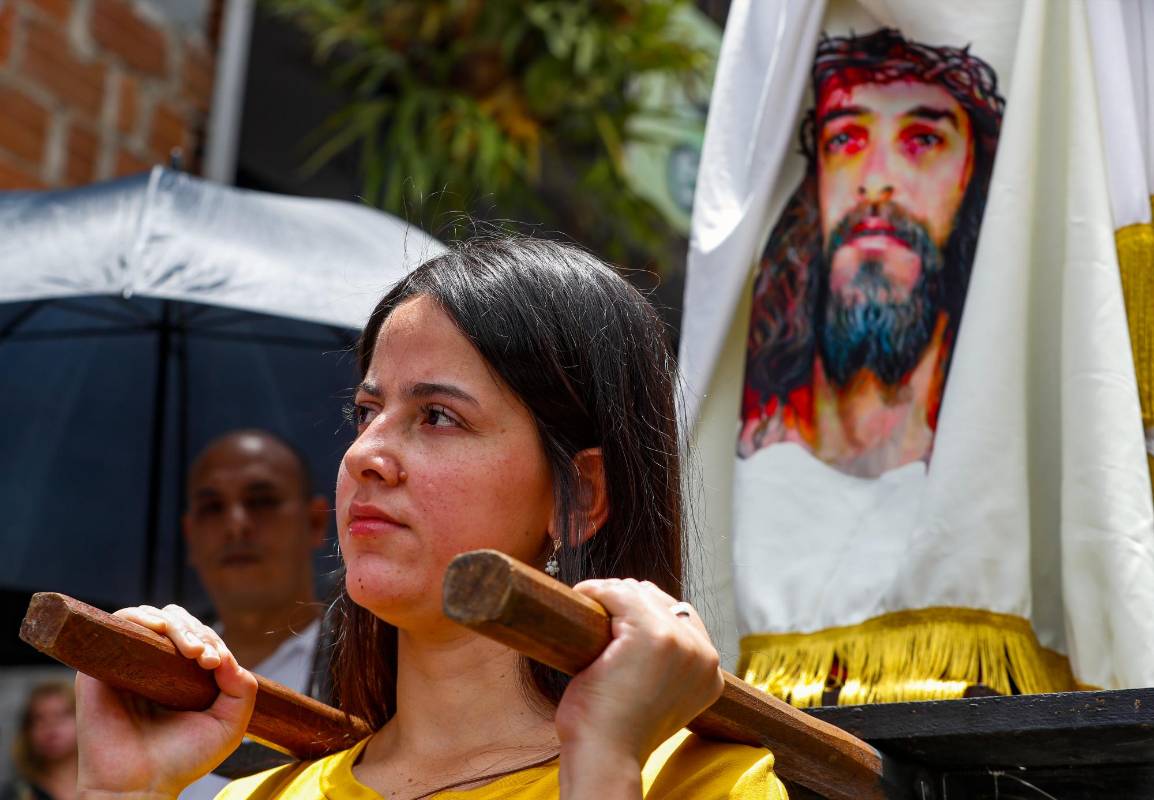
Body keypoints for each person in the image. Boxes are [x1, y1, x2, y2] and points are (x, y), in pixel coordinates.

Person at [74, 238, 787, 799]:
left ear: (582, 494)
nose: (366, 456)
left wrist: (603, 762)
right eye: (366, 412)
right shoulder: (260, 795)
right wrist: (123, 790)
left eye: (438, 416)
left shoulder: (698, 785)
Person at [739, 28, 1006, 478]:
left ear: (970, 180)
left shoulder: (999, 458)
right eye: (845, 140)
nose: (876, 179)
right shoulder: (749, 434)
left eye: (923, 140)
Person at [179, 430, 331, 800]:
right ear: (190, 535)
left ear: (314, 523)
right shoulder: (156, 682)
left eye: (261, 501)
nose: (236, 525)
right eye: (213, 507)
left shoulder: (374, 672)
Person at [3, 681, 77, 800]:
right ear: (27, 731)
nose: (50, 724)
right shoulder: (17, 793)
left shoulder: (105, 783)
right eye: (39, 718)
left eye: (61, 714)